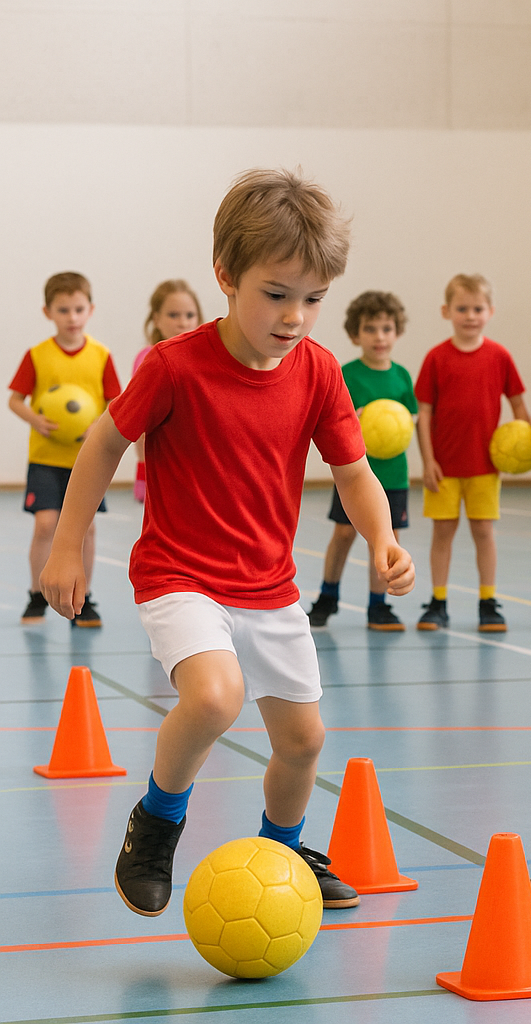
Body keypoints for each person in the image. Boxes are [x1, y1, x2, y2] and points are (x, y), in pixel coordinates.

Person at [39, 168, 415, 918]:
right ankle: (156, 823)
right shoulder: (176, 366)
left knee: (304, 741)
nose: (295, 316)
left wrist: (382, 538)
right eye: (276, 295)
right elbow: (104, 443)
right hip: (180, 574)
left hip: (269, 584)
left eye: (313, 298)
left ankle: (281, 853)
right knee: (214, 698)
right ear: (226, 276)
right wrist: (68, 545)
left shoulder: (317, 374)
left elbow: (354, 472)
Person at [414, 273, 528, 632]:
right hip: (444, 468)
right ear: (446, 311)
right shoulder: (435, 358)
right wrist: (428, 460)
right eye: (462, 308)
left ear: (490, 311)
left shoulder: (499, 356)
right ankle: (438, 601)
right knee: (442, 533)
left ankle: (487, 601)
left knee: (484, 532)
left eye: (477, 308)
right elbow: (424, 415)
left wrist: (527, 448)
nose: (470, 315)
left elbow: (519, 407)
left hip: (484, 467)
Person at [8, 272, 121, 628]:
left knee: (86, 529)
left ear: (90, 310)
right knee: (46, 525)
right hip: (45, 457)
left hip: (87, 462)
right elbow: (14, 400)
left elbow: (116, 401)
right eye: (63, 310)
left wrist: (96, 427)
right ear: (47, 312)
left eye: (78, 309)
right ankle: (36, 595)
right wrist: (35, 420)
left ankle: (82, 599)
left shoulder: (100, 355)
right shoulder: (37, 355)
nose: (72, 317)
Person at [307, 290, 417, 631]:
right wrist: (357, 419)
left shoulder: (401, 376)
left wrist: (394, 425)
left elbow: (411, 419)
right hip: (352, 474)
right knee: (343, 534)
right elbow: (333, 418)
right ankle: (327, 597)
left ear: (397, 333)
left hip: (393, 475)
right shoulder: (347, 374)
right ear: (356, 334)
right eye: (370, 329)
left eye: (386, 329)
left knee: (386, 539)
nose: (379, 336)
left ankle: (378, 605)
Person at [132, 281, 203, 502]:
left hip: (196, 463)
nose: (182, 322)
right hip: (160, 461)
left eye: (189, 315)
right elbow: (139, 417)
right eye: (173, 315)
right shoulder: (148, 359)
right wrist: (144, 460)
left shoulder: (204, 359)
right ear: (156, 319)